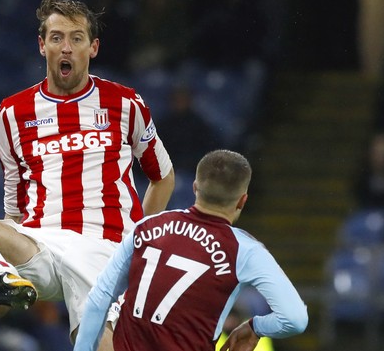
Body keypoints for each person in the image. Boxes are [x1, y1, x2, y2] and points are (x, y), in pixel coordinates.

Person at [0, 0, 175, 350]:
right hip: (39, 246)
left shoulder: (125, 103)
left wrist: (135, 247)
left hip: (103, 248)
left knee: (99, 345)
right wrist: (2, 288)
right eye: (57, 38)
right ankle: (2, 280)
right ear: (42, 46)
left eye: (76, 38)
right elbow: (13, 211)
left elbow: (163, 177)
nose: (66, 48)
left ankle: (7, 283)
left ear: (94, 47)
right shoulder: (11, 114)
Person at [73, 149, 308, 351]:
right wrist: (255, 327)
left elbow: (99, 298)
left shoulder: (148, 226)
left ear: (195, 188)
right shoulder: (245, 250)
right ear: (242, 201)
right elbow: (295, 319)